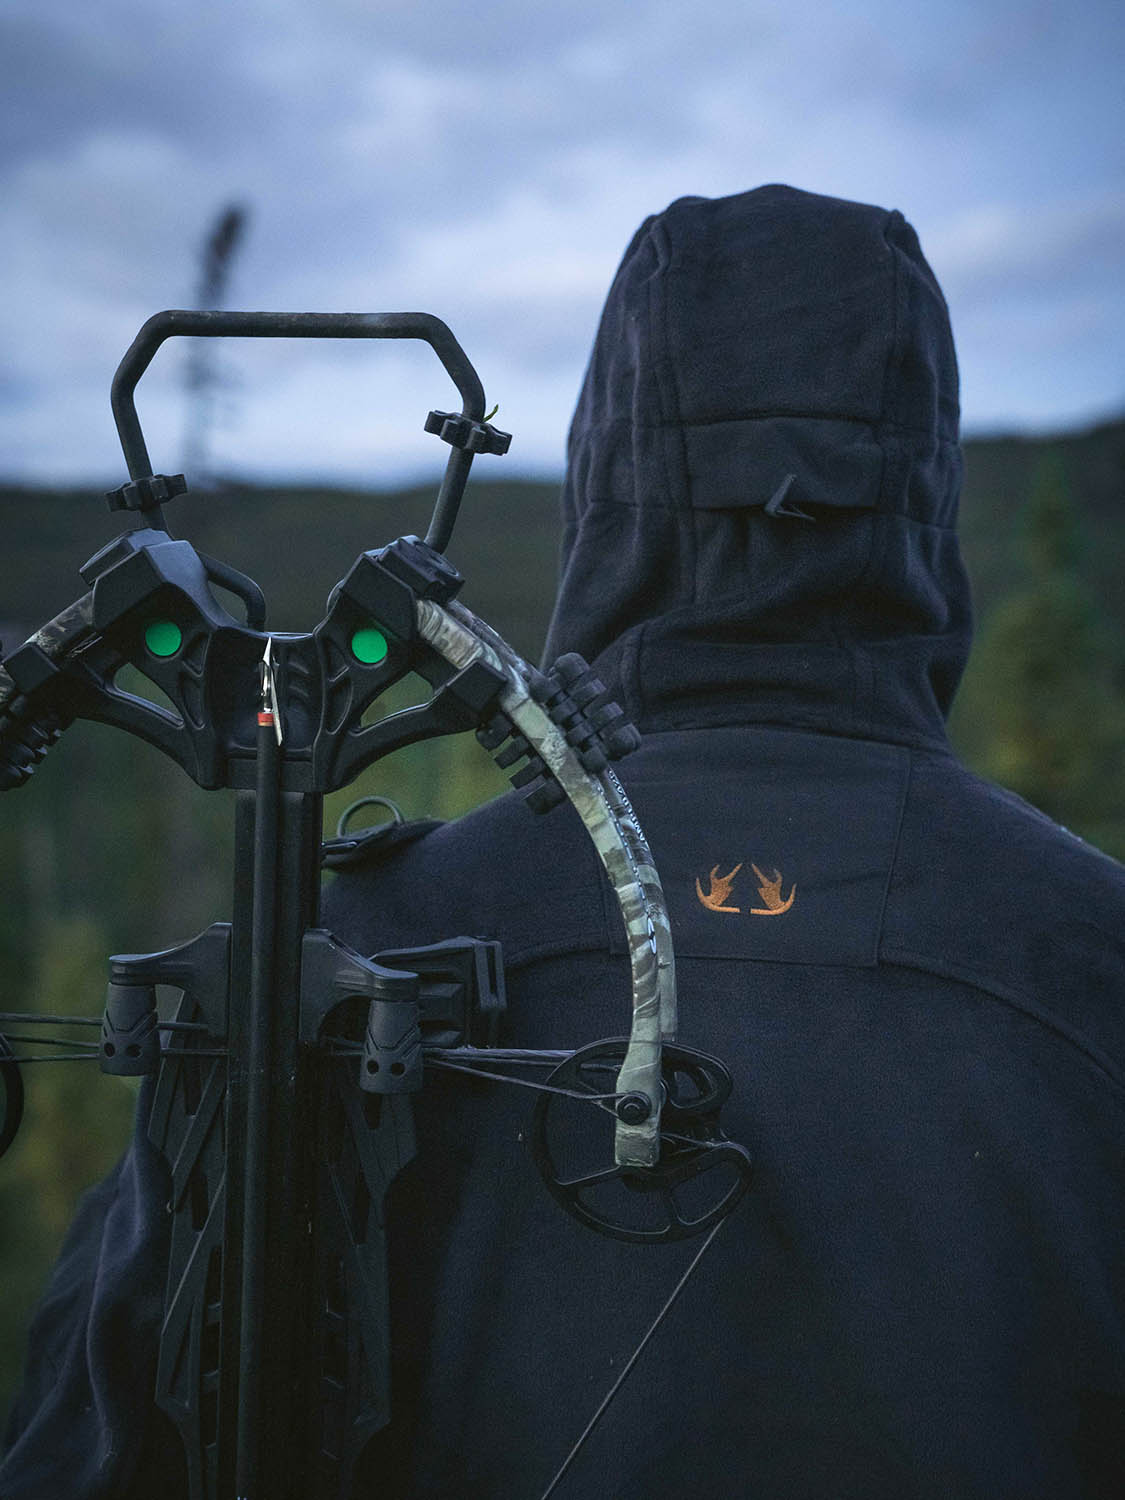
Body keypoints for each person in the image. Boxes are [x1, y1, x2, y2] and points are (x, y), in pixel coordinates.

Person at [4, 183, 1125, 1500]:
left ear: (609, 478)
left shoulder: (334, 947)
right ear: (921, 490)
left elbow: (104, 1448)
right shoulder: (1090, 954)